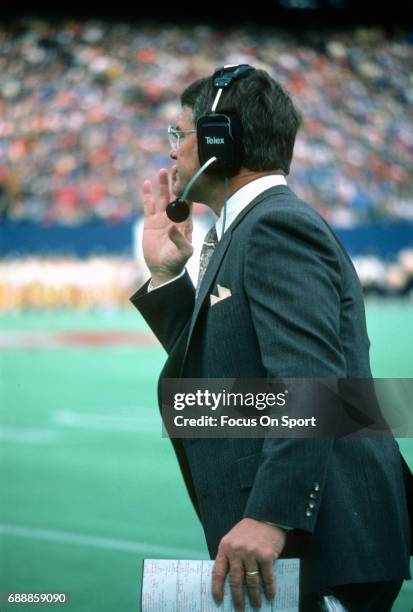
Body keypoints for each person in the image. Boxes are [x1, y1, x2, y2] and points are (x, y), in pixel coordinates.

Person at [130, 65, 411, 611]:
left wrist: (270, 514)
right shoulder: (252, 225)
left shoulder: (275, 226)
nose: (170, 153)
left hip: (320, 538)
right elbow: (226, 362)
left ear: (220, 142)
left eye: (178, 136)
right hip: (311, 536)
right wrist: (168, 277)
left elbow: (309, 380)